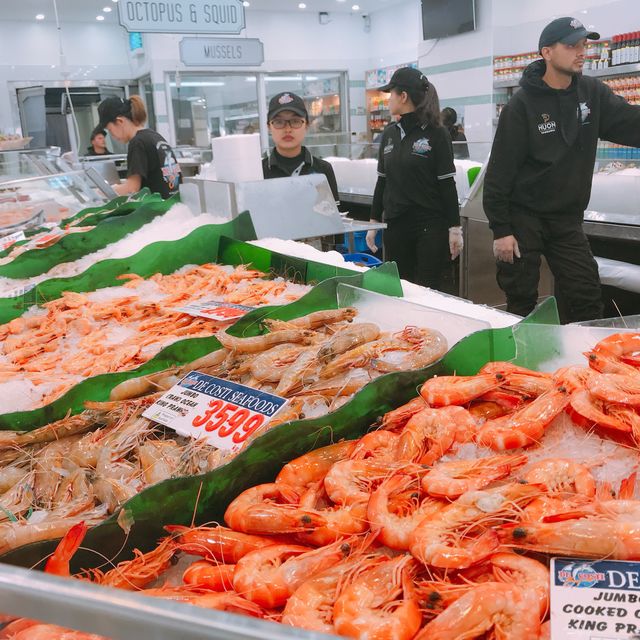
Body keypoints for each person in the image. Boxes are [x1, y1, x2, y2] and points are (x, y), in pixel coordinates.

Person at [484, 16, 640, 323]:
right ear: (547, 52)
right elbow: (499, 172)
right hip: (523, 215)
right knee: (521, 299)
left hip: (566, 218)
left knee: (586, 293)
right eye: (572, 45)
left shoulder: (592, 94)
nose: (581, 51)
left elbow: (630, 123)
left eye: (584, 44)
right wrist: (501, 229)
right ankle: (520, 365)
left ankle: (580, 365)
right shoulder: (521, 105)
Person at [366, 67, 463, 290]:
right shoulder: (390, 133)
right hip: (396, 225)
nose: (388, 99)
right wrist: (373, 223)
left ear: (403, 96)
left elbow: (447, 183)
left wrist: (454, 228)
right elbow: (382, 181)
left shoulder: (437, 133)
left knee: (428, 291)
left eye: (391, 93)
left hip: (429, 228)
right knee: (401, 289)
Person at [262, 92, 341, 210]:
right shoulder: (259, 172)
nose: (288, 129)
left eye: (295, 121)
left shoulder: (322, 170)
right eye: (279, 122)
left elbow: (332, 218)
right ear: (269, 127)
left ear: (306, 125)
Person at [97, 95, 181, 199]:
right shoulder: (154, 136)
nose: (112, 135)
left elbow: (131, 188)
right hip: (172, 206)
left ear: (120, 122)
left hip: (157, 210)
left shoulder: (137, 143)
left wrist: (99, 192)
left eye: (109, 129)